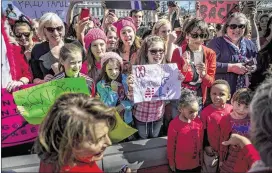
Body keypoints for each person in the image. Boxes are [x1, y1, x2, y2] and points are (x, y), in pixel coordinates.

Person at [35, 93, 131, 172]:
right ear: (69, 141)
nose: (109, 142)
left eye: (106, 135)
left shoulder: (53, 153)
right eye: (98, 139)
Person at [171, 18, 216, 117]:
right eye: (195, 35)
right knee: (179, 124)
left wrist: (204, 75)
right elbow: (174, 79)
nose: (199, 39)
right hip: (180, 96)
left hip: (198, 96)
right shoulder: (178, 52)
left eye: (202, 35)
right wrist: (184, 68)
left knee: (194, 126)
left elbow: (210, 82)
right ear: (187, 35)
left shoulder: (210, 53)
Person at [126, 35, 167, 139]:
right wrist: (131, 88)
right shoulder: (139, 72)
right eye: (153, 51)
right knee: (142, 137)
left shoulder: (167, 71)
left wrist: (177, 80)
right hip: (141, 115)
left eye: (161, 51)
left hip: (158, 115)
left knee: (155, 137)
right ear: (146, 53)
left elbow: (170, 95)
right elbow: (132, 98)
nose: (158, 54)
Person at [208, 12, 258, 95]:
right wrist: (231, 67)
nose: (237, 29)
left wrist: (253, 67)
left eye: (241, 26)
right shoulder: (216, 43)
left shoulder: (249, 44)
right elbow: (208, 65)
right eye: (233, 26)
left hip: (245, 92)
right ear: (226, 27)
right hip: (221, 94)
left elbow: (257, 61)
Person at [167, 88, 203, 173]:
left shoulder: (198, 122)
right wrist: (171, 162)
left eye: (196, 111)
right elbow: (171, 146)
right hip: (181, 165)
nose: (194, 114)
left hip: (196, 164)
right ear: (181, 109)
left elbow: (200, 141)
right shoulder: (174, 125)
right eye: (191, 112)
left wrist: (200, 157)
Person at [201, 80, 232, 172]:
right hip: (211, 151)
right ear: (210, 95)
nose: (217, 97)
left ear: (228, 97)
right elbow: (203, 131)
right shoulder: (205, 112)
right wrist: (206, 146)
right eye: (214, 94)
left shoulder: (232, 110)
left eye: (222, 94)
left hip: (228, 151)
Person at [219, 88, 253, 172]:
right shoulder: (226, 119)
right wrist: (221, 159)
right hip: (229, 159)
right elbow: (222, 141)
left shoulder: (253, 120)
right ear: (232, 101)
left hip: (245, 161)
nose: (241, 110)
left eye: (246, 107)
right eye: (238, 104)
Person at [96, 52, 133, 127]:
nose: (114, 72)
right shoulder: (101, 85)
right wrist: (113, 91)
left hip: (127, 118)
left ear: (120, 68)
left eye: (116, 68)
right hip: (112, 120)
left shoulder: (125, 79)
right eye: (110, 69)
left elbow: (133, 100)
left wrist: (124, 105)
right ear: (105, 69)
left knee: (129, 136)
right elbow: (106, 106)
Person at [30, 12, 65, 84]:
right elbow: (34, 78)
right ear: (43, 30)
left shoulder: (72, 45)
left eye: (59, 28)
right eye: (50, 29)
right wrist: (42, 81)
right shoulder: (37, 49)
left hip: (72, 91)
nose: (56, 33)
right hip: (49, 92)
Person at [1, 16, 32, 93]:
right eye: (19, 34)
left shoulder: (17, 51)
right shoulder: (18, 48)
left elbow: (28, 75)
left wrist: (20, 82)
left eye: (26, 34)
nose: (23, 37)